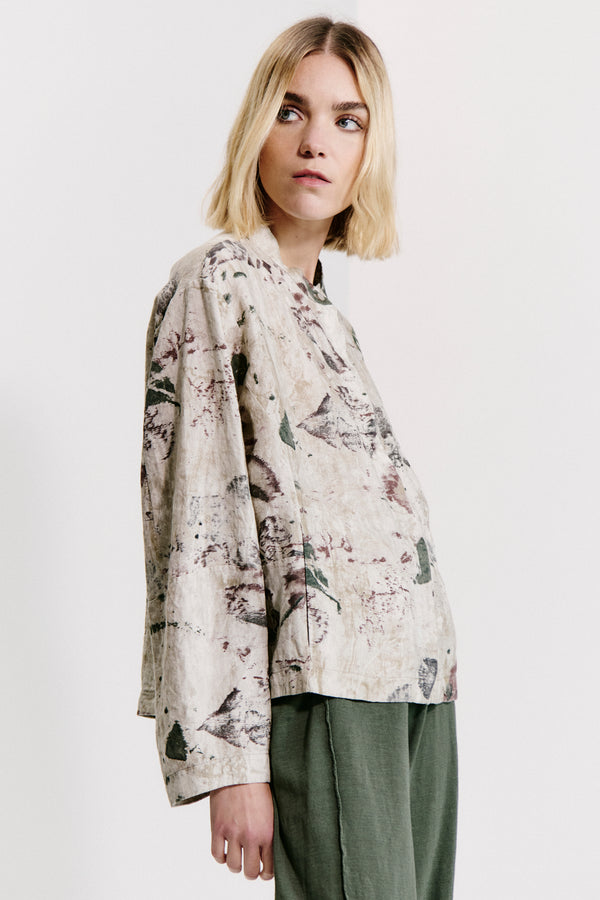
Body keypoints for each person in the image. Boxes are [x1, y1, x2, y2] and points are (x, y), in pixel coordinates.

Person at [137, 15, 458, 900]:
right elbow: (200, 526)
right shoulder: (217, 283)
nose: (316, 141)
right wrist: (230, 758)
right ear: (257, 129)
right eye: (291, 111)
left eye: (347, 121)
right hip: (324, 691)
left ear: (368, 153)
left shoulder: (327, 319)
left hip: (417, 691)